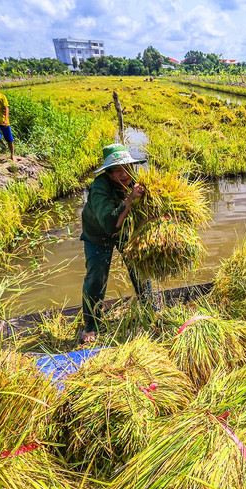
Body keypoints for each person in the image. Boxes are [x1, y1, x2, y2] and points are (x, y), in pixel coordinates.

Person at [80, 143, 152, 343]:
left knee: (139, 267)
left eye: (127, 168)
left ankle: (151, 310)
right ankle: (90, 326)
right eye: (118, 170)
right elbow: (110, 224)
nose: (124, 174)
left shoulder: (135, 182)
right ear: (109, 173)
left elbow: (144, 211)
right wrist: (129, 199)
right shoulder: (99, 188)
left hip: (124, 230)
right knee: (96, 277)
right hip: (99, 233)